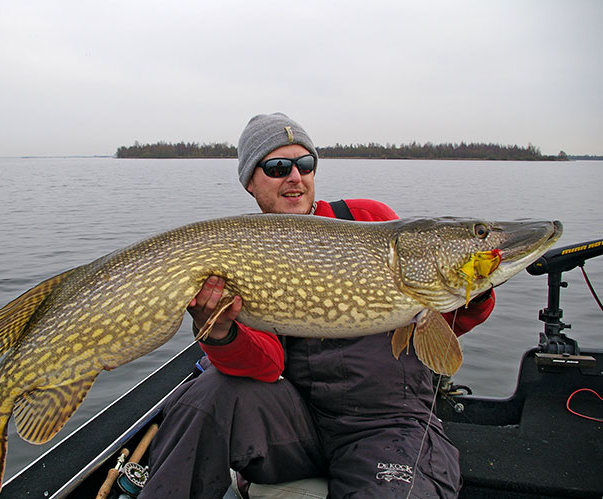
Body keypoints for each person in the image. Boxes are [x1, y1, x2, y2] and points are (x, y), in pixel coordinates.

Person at [139, 113, 495, 499]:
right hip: (299, 426)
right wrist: (221, 332)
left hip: (388, 426)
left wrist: (472, 285)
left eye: (304, 164)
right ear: (250, 183)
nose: (294, 176)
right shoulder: (245, 253)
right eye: (277, 167)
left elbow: (451, 318)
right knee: (207, 394)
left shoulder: (367, 218)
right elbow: (266, 365)